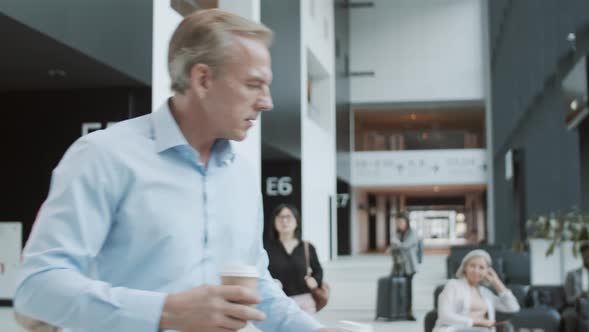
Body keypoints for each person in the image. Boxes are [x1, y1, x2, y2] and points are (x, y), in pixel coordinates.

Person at [13, 9, 339, 332]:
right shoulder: (103, 156)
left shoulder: (241, 175)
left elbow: (258, 288)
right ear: (202, 80)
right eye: (254, 84)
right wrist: (164, 311)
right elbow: (37, 289)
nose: (266, 102)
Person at [433, 249, 520, 332]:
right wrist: (477, 322)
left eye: (481, 267)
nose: (476, 271)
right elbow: (444, 316)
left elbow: (513, 308)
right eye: (472, 266)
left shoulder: (487, 294)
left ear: (487, 271)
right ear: (465, 267)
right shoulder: (453, 286)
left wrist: (496, 281)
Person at [265, 204, 323, 314]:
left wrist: (315, 280)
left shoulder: (307, 247)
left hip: (304, 303)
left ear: (296, 221)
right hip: (276, 301)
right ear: (274, 222)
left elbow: (318, 270)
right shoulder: (266, 249)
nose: (284, 221)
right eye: (280, 217)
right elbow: (260, 273)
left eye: (288, 217)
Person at [387, 211, 419, 320]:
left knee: (407, 291)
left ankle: (408, 312)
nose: (399, 224)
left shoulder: (412, 233)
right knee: (396, 289)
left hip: (409, 267)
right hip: (398, 267)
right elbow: (395, 248)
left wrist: (394, 245)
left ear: (406, 222)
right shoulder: (397, 234)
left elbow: (405, 246)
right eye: (397, 222)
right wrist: (394, 246)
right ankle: (397, 311)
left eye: (401, 222)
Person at [562, 241, 589, 332]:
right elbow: (569, 299)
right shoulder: (572, 275)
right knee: (570, 315)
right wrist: (580, 296)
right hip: (576, 308)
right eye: (587, 256)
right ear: (582, 256)